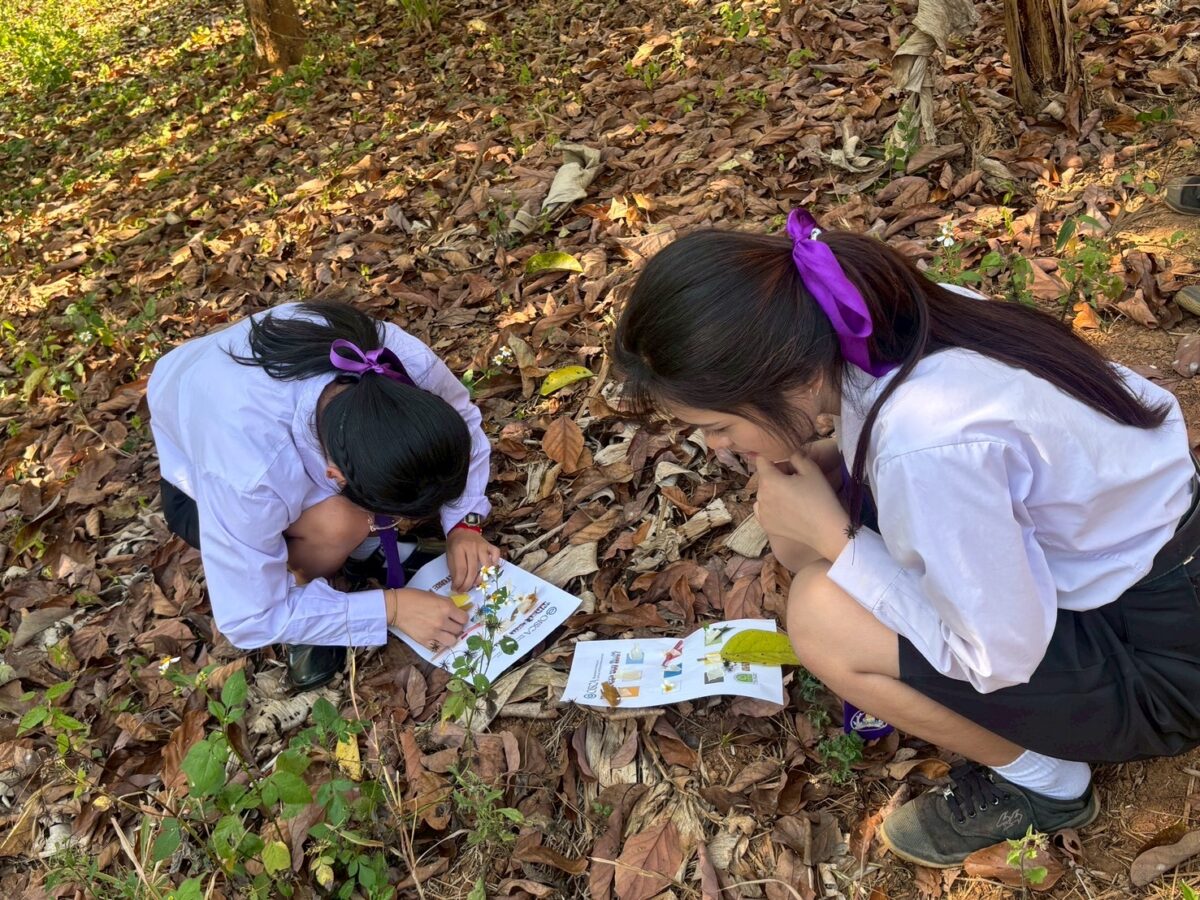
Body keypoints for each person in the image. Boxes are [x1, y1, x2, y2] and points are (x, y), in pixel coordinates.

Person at [612, 209, 1200, 867]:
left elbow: (996, 656)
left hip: (1165, 665)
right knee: (831, 518)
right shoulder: (880, 321)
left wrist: (837, 538)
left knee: (820, 617)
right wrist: (836, 487)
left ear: (794, 376)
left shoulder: (923, 442)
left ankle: (1047, 785)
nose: (718, 446)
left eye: (719, 425)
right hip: (1159, 564)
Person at [148, 300, 501, 690]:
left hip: (228, 377)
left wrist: (465, 523)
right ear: (334, 477)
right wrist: (390, 608)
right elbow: (249, 616)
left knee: (353, 518)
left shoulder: (399, 361)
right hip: (195, 481)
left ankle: (364, 554)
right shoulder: (247, 472)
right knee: (339, 525)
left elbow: (462, 419)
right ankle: (305, 593)